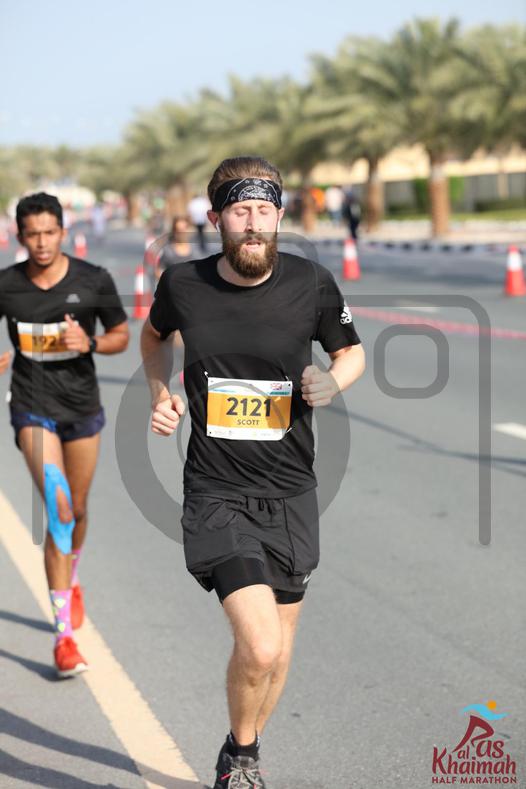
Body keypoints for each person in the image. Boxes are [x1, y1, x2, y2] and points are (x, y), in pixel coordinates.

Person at [141, 157, 365, 788]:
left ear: (279, 215)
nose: (253, 224)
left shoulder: (312, 282)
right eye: (240, 211)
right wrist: (161, 393)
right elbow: (153, 338)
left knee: (278, 650)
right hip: (216, 492)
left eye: (264, 210)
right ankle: (241, 761)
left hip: (292, 491)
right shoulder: (183, 284)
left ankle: (243, 752)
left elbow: (351, 352)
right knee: (260, 644)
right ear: (217, 218)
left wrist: (332, 381)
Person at [0, 192, 129, 678]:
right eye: (31, 234)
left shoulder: (93, 279)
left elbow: (120, 335)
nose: (41, 243)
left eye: (48, 233)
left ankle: (71, 577)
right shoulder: (7, 284)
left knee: (77, 508)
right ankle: (64, 639)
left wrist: (89, 341)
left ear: (62, 231)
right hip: (32, 407)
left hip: (81, 408)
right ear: (20, 236)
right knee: (58, 508)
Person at [155, 215, 198, 281]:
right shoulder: (168, 251)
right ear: (174, 231)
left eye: (184, 229)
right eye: (178, 230)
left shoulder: (195, 249)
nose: (181, 233)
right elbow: (159, 271)